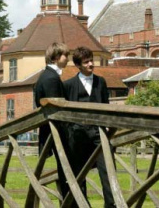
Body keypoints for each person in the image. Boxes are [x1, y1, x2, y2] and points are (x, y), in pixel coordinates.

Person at [64, 46, 115, 208]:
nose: (91, 64)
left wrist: (107, 126)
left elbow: (106, 106)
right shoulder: (69, 85)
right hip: (77, 135)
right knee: (79, 173)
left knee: (107, 168)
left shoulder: (101, 81)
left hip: (98, 133)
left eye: (92, 60)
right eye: (86, 62)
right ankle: (81, 204)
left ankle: (111, 204)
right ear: (78, 65)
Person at [34, 42, 70, 200]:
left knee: (66, 169)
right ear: (55, 58)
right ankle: (68, 200)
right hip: (55, 132)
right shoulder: (51, 78)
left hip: (52, 131)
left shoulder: (47, 75)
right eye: (65, 55)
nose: (67, 59)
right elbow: (55, 111)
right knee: (66, 169)